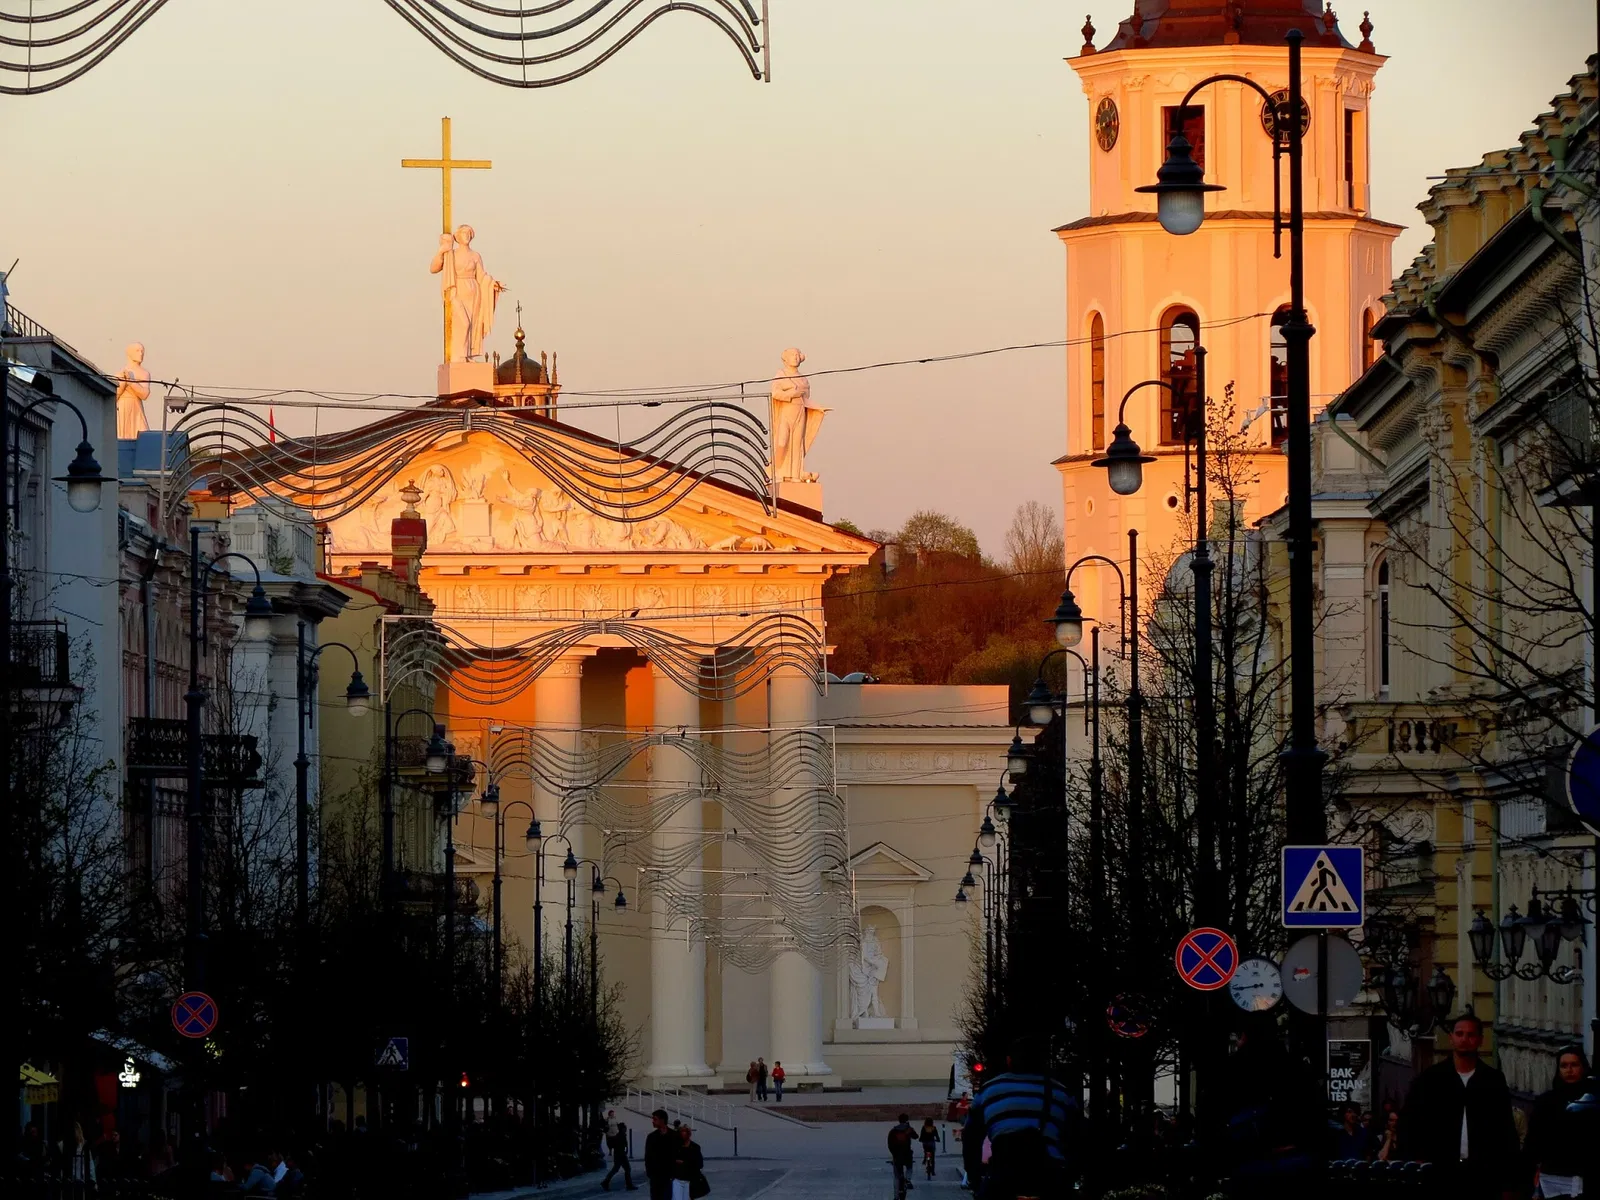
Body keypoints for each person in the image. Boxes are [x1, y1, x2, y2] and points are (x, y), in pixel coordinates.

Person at [1398, 1012, 1521, 1200]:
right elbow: (1409, 1124)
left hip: (1483, 1175)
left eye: (1471, 1035)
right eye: (1460, 1034)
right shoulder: (1430, 1079)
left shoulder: (1492, 1080)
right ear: (1451, 1038)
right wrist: (1416, 1161)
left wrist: (1509, 1181)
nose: (1465, 1039)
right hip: (1439, 1172)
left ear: (1480, 1040)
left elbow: (1505, 1131)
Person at [960, 1037, 1079, 1200]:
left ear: (1009, 1061)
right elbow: (1076, 1138)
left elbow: (971, 1136)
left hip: (1004, 1175)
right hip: (1049, 1175)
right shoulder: (1062, 1093)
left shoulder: (989, 1090)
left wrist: (974, 1176)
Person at [1526, 1044, 1590, 1198]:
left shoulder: (1592, 1102)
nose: (1569, 1070)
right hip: (1553, 1178)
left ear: (1583, 1067)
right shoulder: (1546, 1102)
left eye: (1574, 1065)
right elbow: (1534, 1142)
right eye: (1564, 1066)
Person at [644, 1109, 676, 1200]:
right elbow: (648, 1157)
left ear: (662, 1120)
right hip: (656, 1178)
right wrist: (650, 1173)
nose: (653, 1121)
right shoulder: (651, 1137)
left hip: (670, 1177)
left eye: (655, 1119)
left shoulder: (674, 1136)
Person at [603, 1109, 636, 1191]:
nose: (625, 1129)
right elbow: (614, 1144)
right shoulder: (619, 1136)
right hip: (620, 1155)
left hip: (621, 1154)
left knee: (619, 1169)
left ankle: (606, 1182)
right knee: (620, 1169)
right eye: (624, 1128)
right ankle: (606, 1182)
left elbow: (623, 1144)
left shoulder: (621, 1135)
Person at [671, 1124, 705, 1200]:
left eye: (684, 1132)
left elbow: (699, 1164)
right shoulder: (675, 1147)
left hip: (690, 1181)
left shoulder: (695, 1147)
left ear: (689, 1134)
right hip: (677, 1179)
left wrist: (684, 1163)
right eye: (680, 1132)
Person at [887, 1113, 917, 1198]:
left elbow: (890, 1144)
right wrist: (909, 1127)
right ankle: (908, 1180)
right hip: (907, 1154)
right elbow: (916, 1136)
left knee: (896, 1177)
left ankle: (896, 1196)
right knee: (909, 1167)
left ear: (899, 1120)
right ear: (907, 1120)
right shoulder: (909, 1129)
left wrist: (893, 1154)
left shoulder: (893, 1131)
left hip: (897, 1156)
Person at [60, 1122, 96, 1187]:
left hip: (82, 1180)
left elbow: (91, 1165)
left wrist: (93, 1181)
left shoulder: (84, 1146)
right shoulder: (64, 1145)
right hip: (69, 1181)